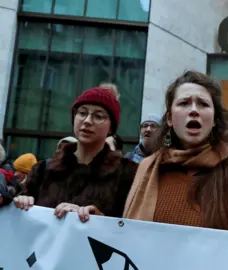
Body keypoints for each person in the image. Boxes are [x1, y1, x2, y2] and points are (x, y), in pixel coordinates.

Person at [123, 71, 228, 235]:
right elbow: (123, 235)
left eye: (203, 104)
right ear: (169, 118)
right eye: (184, 103)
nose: (194, 110)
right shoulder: (144, 170)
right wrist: (96, 223)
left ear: (214, 119)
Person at [11, 86, 138, 222]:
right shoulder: (43, 170)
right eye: (82, 113)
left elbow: (131, 226)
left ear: (111, 127)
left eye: (98, 116)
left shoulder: (127, 174)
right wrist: (21, 202)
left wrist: (96, 217)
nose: (87, 121)